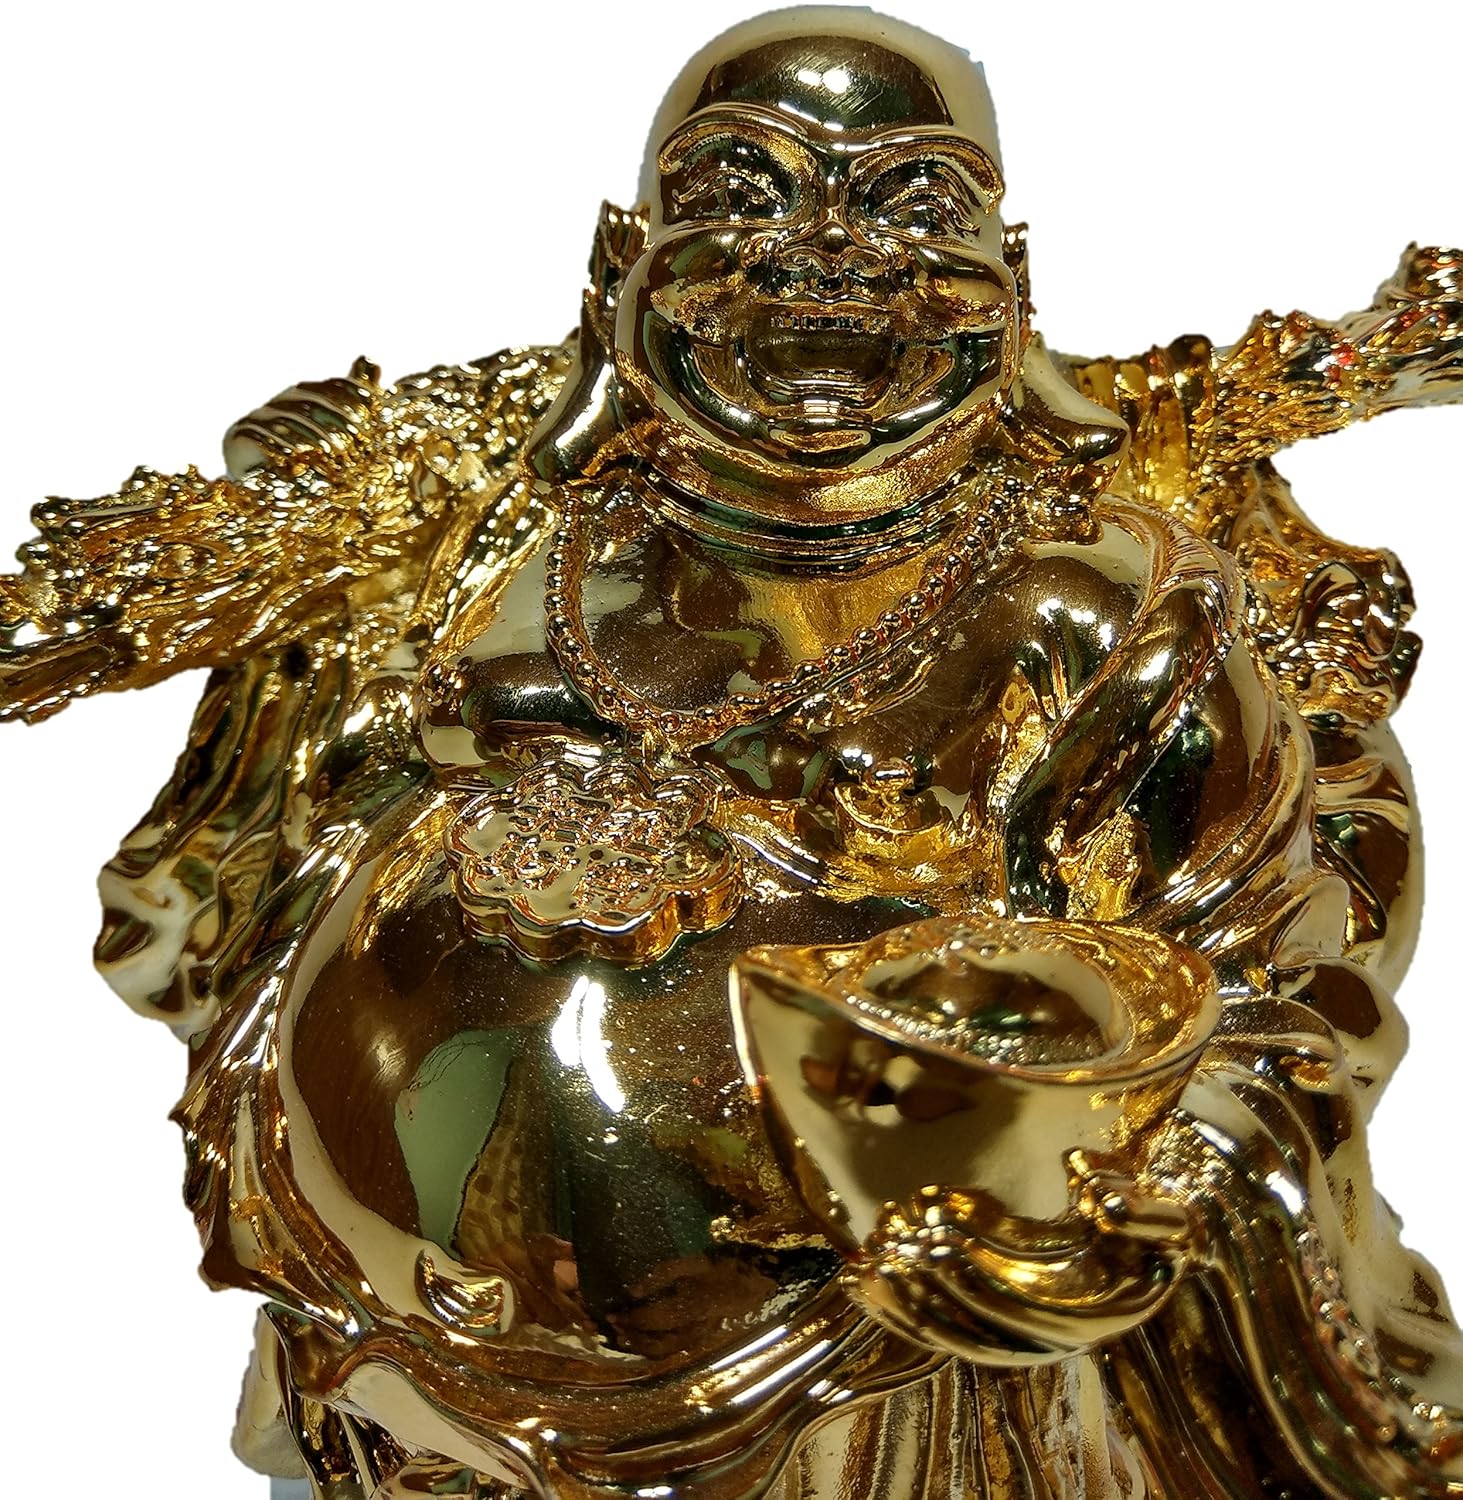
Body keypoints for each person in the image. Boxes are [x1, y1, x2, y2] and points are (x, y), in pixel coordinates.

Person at [3, 9, 1460, 1497]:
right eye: (740, 193)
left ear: (1012, 286)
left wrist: (1094, 1210)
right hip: (398, 1359)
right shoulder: (496, 529)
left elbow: (1275, 997)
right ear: (618, 264)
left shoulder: (1102, 606)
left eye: (917, 207)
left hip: (878, 1398)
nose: (827, 261)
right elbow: (265, 795)